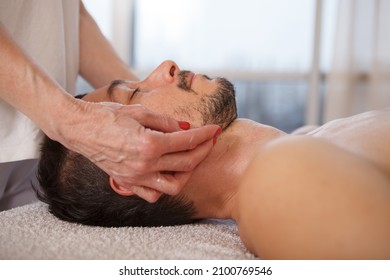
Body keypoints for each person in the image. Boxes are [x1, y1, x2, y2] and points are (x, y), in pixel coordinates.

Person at [37, 60, 390, 259]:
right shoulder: (277, 183)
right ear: (131, 173)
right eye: (133, 93)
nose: (167, 67)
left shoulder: (299, 146)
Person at [0, 1, 220, 211]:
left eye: (134, 91)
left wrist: (155, 96)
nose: (168, 65)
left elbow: (67, 16)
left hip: (40, 145)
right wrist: (70, 119)